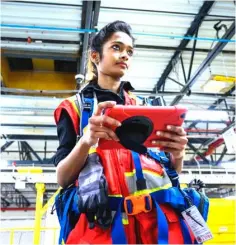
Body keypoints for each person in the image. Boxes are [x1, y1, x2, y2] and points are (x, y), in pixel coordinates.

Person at [53, 21, 189, 244]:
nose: (125, 55)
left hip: (156, 227)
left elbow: (172, 172)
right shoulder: (73, 108)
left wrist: (179, 154)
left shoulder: (149, 108)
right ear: (95, 56)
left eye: (129, 51)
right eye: (116, 47)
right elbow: (63, 178)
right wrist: (87, 141)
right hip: (103, 228)